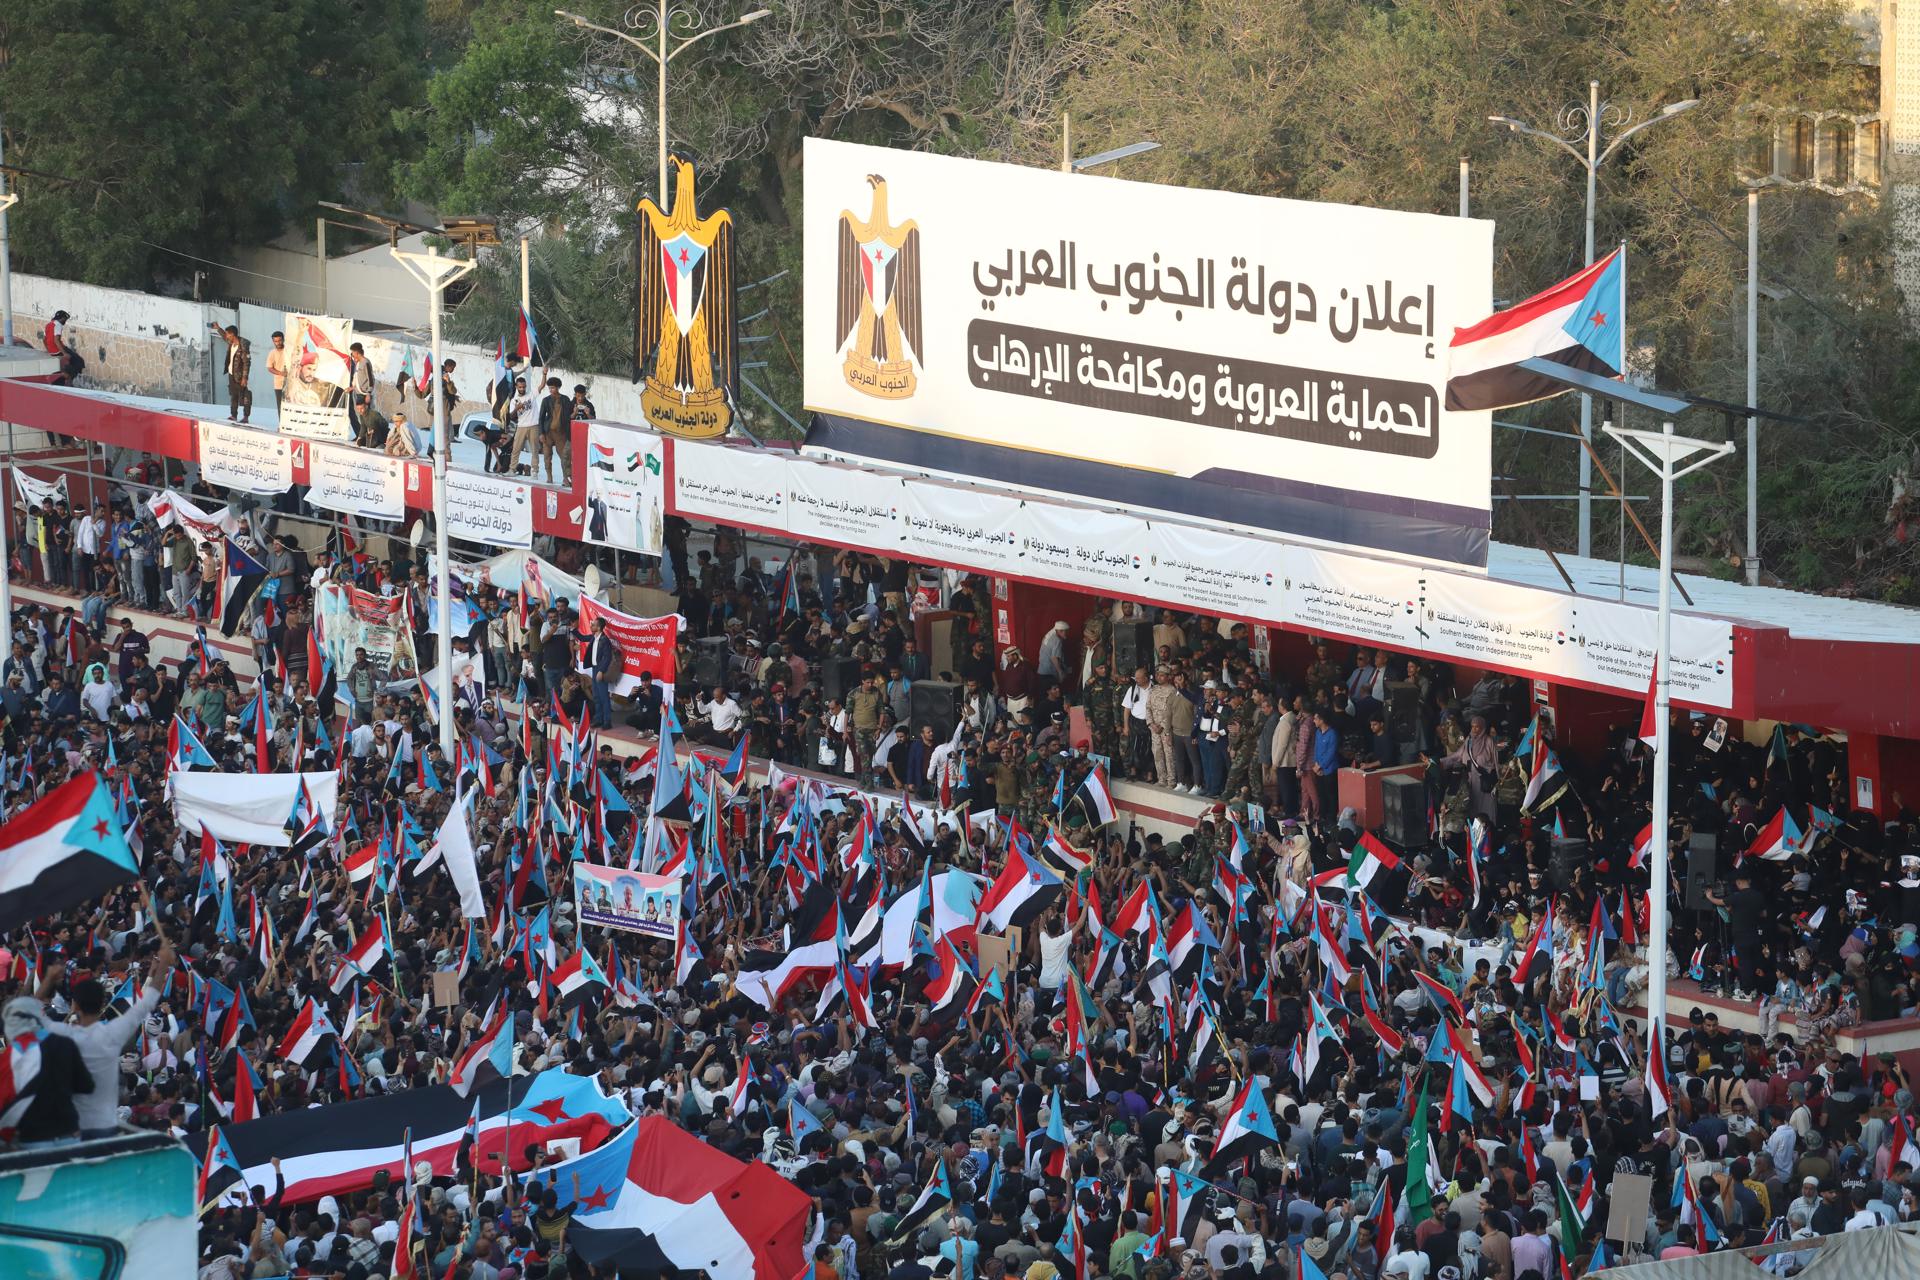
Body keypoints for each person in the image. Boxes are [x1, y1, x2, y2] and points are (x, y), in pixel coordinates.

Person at [208, 323, 253, 423]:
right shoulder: (231, 342)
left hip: (240, 376)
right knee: (233, 395)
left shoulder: (243, 346)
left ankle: (246, 417)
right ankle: (233, 415)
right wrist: (218, 328)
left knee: (244, 396)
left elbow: (247, 362)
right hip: (231, 373)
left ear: (233, 335)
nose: (226, 336)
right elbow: (224, 337)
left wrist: (245, 377)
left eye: (228, 335)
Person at [587, 616, 621, 727]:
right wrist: (573, 629)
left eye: (593, 624)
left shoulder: (604, 640)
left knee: (603, 696)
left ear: (599, 627)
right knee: (596, 696)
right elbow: (583, 638)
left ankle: (607, 721)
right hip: (594, 668)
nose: (591, 625)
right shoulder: (594, 638)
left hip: (600, 669)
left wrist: (601, 671)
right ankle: (598, 718)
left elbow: (607, 657)